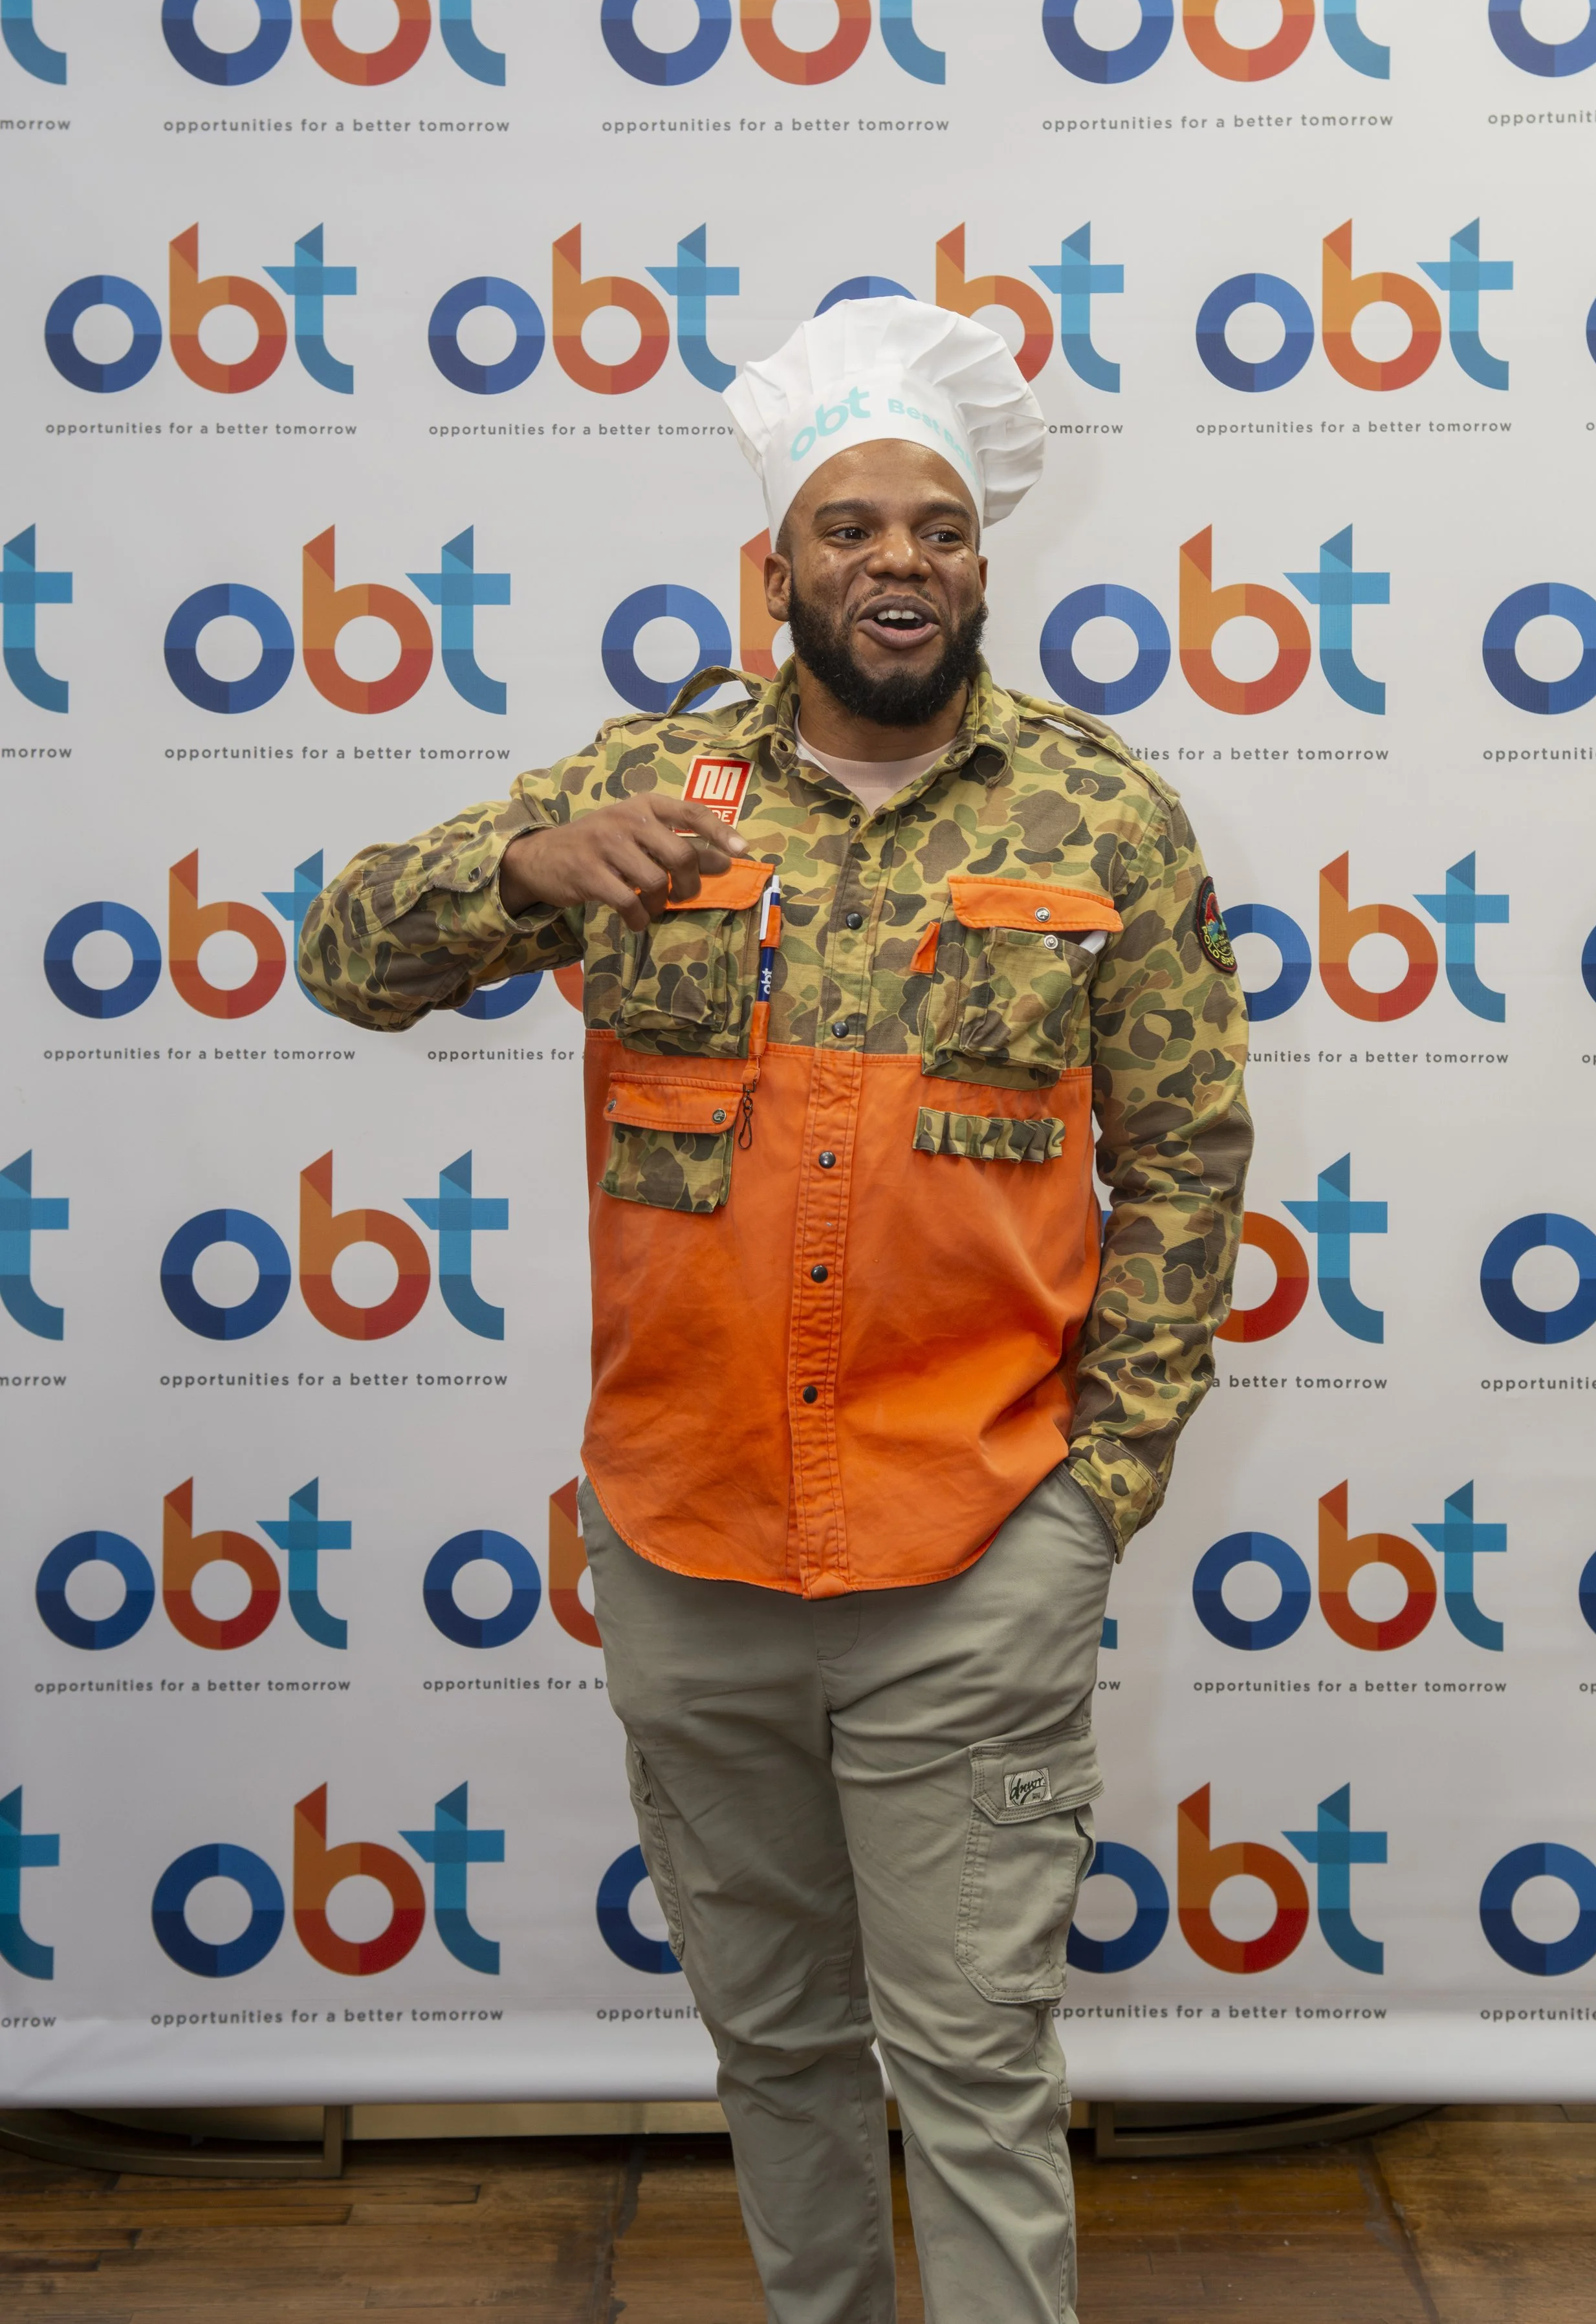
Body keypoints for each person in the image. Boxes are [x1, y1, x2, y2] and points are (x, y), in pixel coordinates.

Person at [300, 297, 1251, 2324]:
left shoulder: (1102, 820)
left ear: (981, 562)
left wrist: (1100, 1486)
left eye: (933, 525)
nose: (893, 559)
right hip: (688, 1539)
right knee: (779, 2052)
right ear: (777, 569)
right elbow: (346, 954)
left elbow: (1185, 1163)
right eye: (847, 528)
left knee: (977, 2068)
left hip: (973, 1547)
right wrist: (527, 865)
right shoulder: (646, 791)